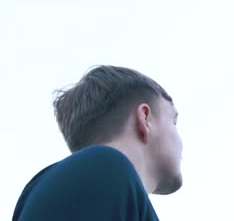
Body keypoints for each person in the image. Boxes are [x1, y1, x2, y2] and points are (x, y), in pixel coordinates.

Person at [13, 65, 183, 221]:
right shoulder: (106, 165)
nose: (181, 142)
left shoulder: (50, 189)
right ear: (145, 118)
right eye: (173, 121)